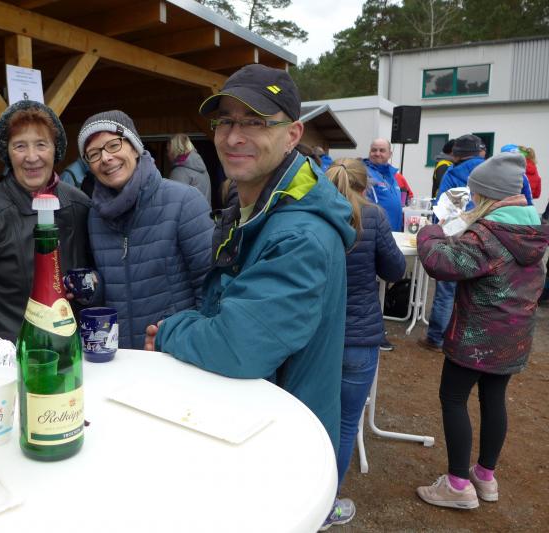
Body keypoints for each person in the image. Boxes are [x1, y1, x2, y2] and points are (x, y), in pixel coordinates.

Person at [142, 64, 356, 526]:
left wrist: (172, 332)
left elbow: (238, 346)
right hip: (254, 423)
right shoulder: (258, 207)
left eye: (255, 122)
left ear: (292, 134)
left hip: (279, 446)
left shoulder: (299, 235)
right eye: (225, 121)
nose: (234, 136)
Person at [415, 152, 549, 509]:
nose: (472, 198)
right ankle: (485, 476)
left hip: (476, 337)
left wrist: (431, 230)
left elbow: (439, 262)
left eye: (475, 193)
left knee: (453, 398)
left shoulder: (488, 235)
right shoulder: (531, 229)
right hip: (514, 336)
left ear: (487, 195)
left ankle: (458, 485)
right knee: (494, 399)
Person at [0, 100, 93, 337]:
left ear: (55, 149)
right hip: (6, 349)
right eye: (20, 146)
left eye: (41, 144)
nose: (32, 157)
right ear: (8, 153)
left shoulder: (79, 205)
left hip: (65, 344)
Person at [78, 110, 213, 349]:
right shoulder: (95, 216)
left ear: (135, 148)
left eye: (113, 145)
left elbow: (211, 288)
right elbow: (113, 289)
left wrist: (191, 344)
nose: (106, 158)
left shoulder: (184, 201)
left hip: (173, 353)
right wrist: (92, 288)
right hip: (122, 358)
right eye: (94, 154)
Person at [324, 158, 406, 526]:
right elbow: (395, 269)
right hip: (358, 337)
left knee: (312, 417)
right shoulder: (372, 216)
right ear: (364, 185)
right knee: (345, 425)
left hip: (317, 337)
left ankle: (303, 497)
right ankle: (328, 505)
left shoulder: (311, 211)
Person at [418, 134, 486, 353]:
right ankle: (466, 340)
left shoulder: (452, 172)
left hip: (455, 236)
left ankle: (436, 338)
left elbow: (443, 209)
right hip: (484, 237)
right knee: (474, 292)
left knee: (446, 290)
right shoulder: (490, 171)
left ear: (456, 154)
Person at [363, 138, 404, 232]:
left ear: (390, 154)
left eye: (382, 150)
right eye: (374, 150)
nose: (377, 153)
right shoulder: (364, 173)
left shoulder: (392, 174)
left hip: (394, 232)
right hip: (376, 233)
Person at [166, 133, 212, 204]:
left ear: (174, 150)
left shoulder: (179, 172)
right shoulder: (202, 168)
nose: (167, 154)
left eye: (168, 150)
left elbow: (174, 202)